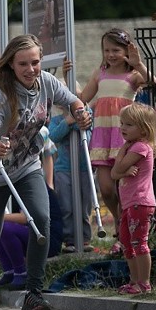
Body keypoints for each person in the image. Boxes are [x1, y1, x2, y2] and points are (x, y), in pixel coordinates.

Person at [0, 34, 91, 310]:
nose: (31, 69)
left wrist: (81, 112)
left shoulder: (46, 82)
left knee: (41, 220)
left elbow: (72, 101)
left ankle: (33, 292)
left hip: (28, 165)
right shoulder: (1, 97)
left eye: (35, 62)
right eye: (23, 64)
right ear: (11, 66)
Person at [78, 28, 149, 248]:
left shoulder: (133, 75)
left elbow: (155, 83)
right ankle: (120, 222)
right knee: (107, 188)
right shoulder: (100, 74)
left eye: (116, 50)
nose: (110, 54)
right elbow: (81, 99)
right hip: (102, 137)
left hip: (123, 137)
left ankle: (126, 234)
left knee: (124, 187)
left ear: (126, 50)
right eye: (106, 50)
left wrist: (138, 64)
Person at [110, 103, 156, 294]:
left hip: (141, 202)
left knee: (139, 242)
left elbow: (117, 170)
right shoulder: (130, 146)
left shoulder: (140, 147)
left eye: (129, 124)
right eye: (122, 123)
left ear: (144, 129)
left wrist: (121, 158)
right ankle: (134, 281)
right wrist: (121, 167)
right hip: (131, 203)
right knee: (126, 242)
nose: (123, 128)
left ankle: (144, 282)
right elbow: (115, 174)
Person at [49, 105, 95, 253]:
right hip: (64, 168)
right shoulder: (57, 120)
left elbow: (89, 136)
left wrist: (78, 122)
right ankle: (69, 239)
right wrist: (68, 122)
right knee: (66, 205)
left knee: (85, 204)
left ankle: (85, 237)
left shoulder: (88, 116)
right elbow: (53, 136)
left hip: (84, 167)